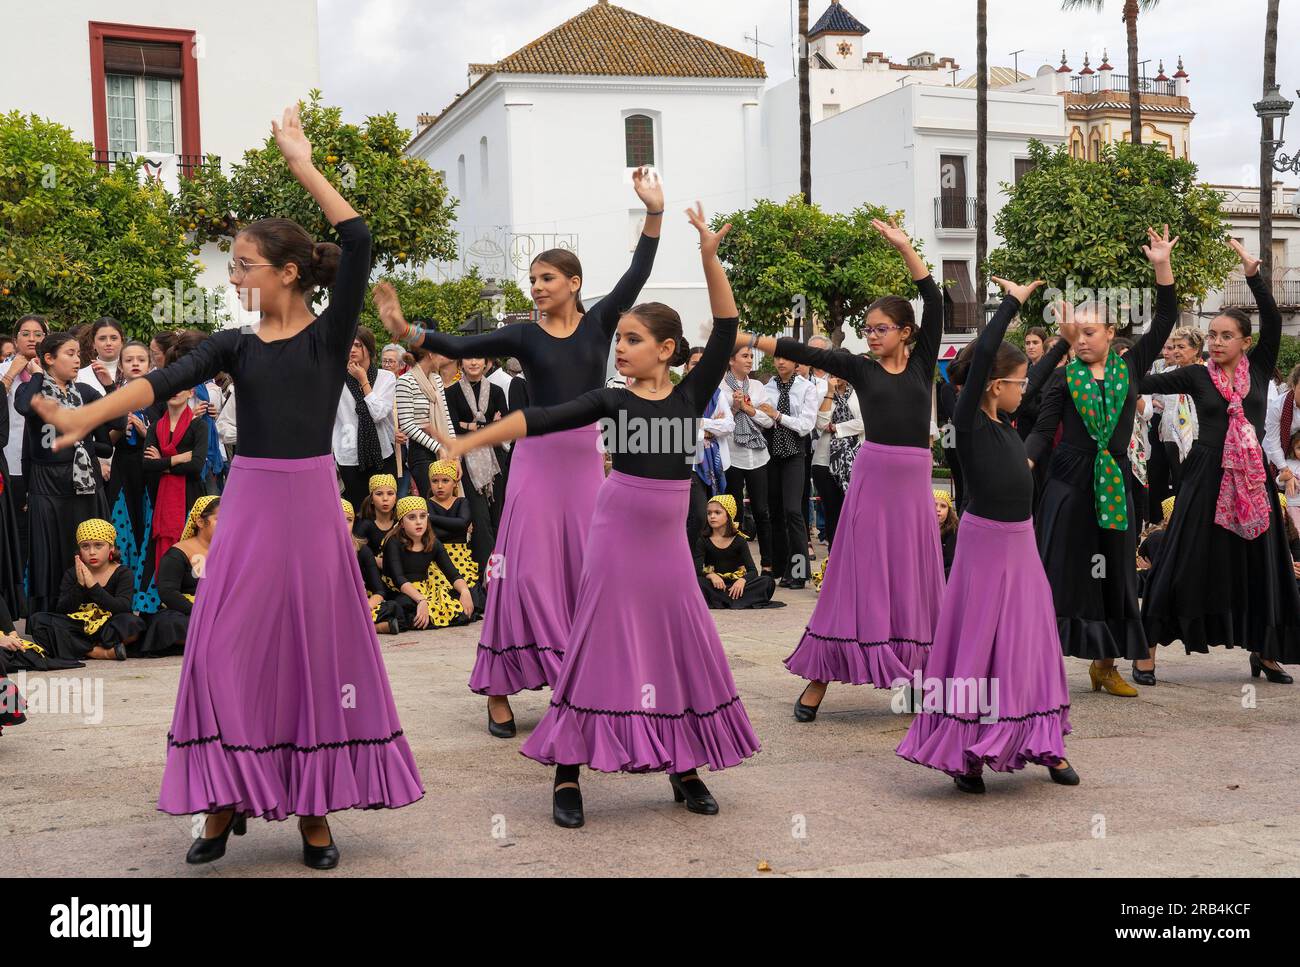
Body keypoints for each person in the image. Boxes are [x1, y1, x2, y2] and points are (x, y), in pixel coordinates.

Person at [33, 104, 423, 869]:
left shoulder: (328, 332)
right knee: (225, 650)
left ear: (285, 271)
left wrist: (302, 164)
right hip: (246, 509)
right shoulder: (234, 345)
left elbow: (358, 239)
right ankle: (224, 800)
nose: (236, 275)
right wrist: (86, 419)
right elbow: (161, 383)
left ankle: (313, 812)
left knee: (315, 655)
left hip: (310, 505)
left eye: (245, 264)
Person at [431, 202, 759, 828]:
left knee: (675, 650)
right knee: (597, 649)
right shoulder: (609, 399)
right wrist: (472, 440)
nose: (622, 349)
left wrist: (709, 258)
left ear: (666, 350)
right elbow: (544, 418)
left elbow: (725, 324)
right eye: (621, 339)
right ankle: (567, 774)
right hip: (614, 535)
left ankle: (683, 767)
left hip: (668, 543)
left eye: (633, 341)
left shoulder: (692, 394)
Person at [374, 167, 664, 738]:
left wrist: (653, 213)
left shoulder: (603, 321)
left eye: (547, 277)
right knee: (522, 574)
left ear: (574, 283)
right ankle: (501, 690)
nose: (536, 286)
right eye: (532, 278)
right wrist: (407, 331)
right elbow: (459, 345)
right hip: (534, 464)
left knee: (585, 572)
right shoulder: (524, 334)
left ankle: (577, 677)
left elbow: (639, 271)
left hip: (582, 462)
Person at [739, 220, 944, 721]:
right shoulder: (861, 367)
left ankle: (915, 678)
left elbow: (935, 302)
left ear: (907, 332)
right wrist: (756, 339)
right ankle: (819, 679)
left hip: (913, 485)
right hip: (873, 481)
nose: (872, 337)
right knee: (856, 577)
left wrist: (904, 248)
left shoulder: (921, 364)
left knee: (914, 582)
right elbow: (809, 352)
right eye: (868, 329)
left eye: (881, 329)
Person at [896, 276, 1077, 793]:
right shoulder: (968, 419)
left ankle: (1047, 745)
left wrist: (1061, 340)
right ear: (996, 385)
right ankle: (965, 755)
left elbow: (1037, 377)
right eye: (1018, 383)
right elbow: (989, 353)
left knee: (1030, 644)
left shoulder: (1004, 423)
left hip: (1021, 544)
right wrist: (1011, 304)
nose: (1027, 389)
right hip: (982, 544)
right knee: (977, 645)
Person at [1138, 239, 1300, 683]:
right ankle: (1146, 651)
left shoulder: (1261, 368)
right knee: (1181, 557)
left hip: (1251, 481)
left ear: (1245, 343)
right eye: (1212, 335)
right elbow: (1144, 379)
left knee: (1263, 563)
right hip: (1205, 476)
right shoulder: (1195, 374)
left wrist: (1253, 275)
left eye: (1226, 336)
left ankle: (1265, 652)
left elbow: (1271, 317)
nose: (1216, 342)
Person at [1027, 227, 1180, 694]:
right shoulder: (1061, 378)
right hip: (1068, 483)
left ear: (1111, 333)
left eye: (1090, 332)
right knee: (1062, 573)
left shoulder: (1131, 366)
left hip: (1114, 480)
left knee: (1114, 571)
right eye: (1077, 334)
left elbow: (1166, 318)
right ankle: (1040, 666)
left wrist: (1161, 265)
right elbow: (1037, 426)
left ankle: (1105, 663)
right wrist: (1025, 464)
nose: (1083, 341)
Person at [15, 331, 115, 615]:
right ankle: (52, 617)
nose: (76, 360)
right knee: (50, 551)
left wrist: (109, 388)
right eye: (69, 354)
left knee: (87, 546)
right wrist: (36, 373)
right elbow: (23, 406)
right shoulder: (33, 391)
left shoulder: (84, 392)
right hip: (46, 482)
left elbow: (117, 419)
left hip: (83, 482)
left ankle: (96, 610)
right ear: (49, 358)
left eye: (77, 354)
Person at [25, 519, 146, 664]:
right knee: (38, 621)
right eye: (85, 546)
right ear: (79, 551)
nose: (92, 552)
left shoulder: (123, 572)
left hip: (108, 627)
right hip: (79, 628)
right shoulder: (72, 573)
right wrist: (81, 585)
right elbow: (63, 610)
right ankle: (98, 652)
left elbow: (123, 607)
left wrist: (93, 586)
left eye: (98, 545)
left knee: (132, 623)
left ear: (111, 548)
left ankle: (76, 647)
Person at [759, 351, 818, 587]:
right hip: (771, 451)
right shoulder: (768, 386)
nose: (781, 362)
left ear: (796, 362)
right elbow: (764, 418)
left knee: (793, 510)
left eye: (786, 358)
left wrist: (778, 416)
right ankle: (781, 567)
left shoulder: (806, 388)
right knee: (774, 511)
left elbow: (805, 426)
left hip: (795, 453)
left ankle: (799, 571)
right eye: (777, 358)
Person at [105, 342, 156, 611]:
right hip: (123, 467)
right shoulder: (116, 397)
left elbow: (163, 440)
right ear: (122, 366)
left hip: (148, 469)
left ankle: (145, 586)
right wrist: (121, 425)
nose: (135, 364)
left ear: (150, 364)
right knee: (122, 521)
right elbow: (106, 442)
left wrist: (143, 429)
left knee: (145, 521)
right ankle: (122, 584)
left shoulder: (158, 396)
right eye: (129, 360)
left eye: (141, 359)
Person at [137, 496, 219, 657]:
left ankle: (208, 640)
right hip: (188, 610)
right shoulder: (178, 553)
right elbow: (168, 592)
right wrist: (199, 611)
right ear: (200, 522)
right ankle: (209, 640)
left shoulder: (230, 551)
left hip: (219, 607)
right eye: (220, 519)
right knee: (170, 624)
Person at [382, 494, 475, 629]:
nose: (419, 522)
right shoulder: (393, 542)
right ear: (401, 523)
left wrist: (465, 592)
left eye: (423, 516)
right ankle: (386, 625)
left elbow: (453, 574)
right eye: (412, 517)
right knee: (403, 607)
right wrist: (421, 600)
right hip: (400, 590)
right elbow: (399, 579)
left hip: (425, 589)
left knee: (463, 602)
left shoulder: (433, 542)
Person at [333, 326, 397, 509]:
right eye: (348, 345)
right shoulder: (336, 379)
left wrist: (363, 381)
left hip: (382, 454)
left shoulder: (386, 378)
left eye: (357, 345)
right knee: (358, 511)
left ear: (369, 348)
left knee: (386, 511)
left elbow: (378, 414)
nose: (351, 349)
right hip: (349, 455)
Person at [723, 345, 773, 573]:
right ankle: (737, 565)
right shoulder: (720, 386)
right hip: (731, 456)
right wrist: (735, 407)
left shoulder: (757, 386)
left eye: (751, 356)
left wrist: (747, 408)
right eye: (745, 356)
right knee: (734, 513)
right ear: (731, 360)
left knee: (762, 511)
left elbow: (768, 420)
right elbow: (720, 422)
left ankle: (768, 564)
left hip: (758, 455)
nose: (750, 360)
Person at [694, 494, 779, 609]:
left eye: (717, 513)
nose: (712, 516)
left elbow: (752, 571)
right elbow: (698, 568)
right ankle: (733, 600)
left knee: (767, 581)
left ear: (729, 515)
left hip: (735, 583)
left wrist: (742, 581)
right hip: (715, 585)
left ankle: (721, 600)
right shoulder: (703, 540)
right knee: (697, 582)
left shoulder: (739, 540)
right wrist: (711, 575)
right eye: (709, 513)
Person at [812, 369, 863, 551]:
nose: (838, 376)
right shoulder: (822, 392)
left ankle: (854, 553)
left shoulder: (861, 392)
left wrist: (836, 428)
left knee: (853, 510)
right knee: (832, 510)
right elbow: (820, 424)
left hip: (856, 459)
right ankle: (834, 555)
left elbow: (864, 422)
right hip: (824, 461)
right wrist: (829, 393)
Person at [935, 488, 958, 578]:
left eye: (943, 506)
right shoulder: (921, 528)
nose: (938, 509)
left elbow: (952, 563)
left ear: (949, 511)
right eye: (934, 505)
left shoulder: (953, 531)